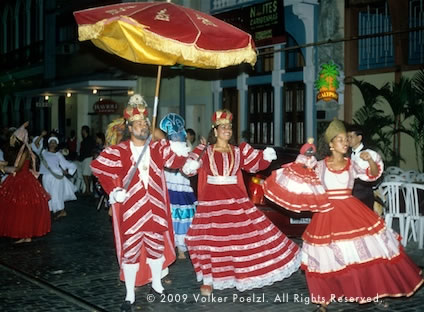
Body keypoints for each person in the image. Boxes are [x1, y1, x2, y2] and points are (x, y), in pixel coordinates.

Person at [299, 119, 423, 311]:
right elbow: (302, 176)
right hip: (327, 214)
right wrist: (304, 157)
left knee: (365, 256)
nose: (345, 143)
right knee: (325, 258)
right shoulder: (320, 165)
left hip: (351, 212)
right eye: (341, 139)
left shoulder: (351, 164)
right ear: (331, 144)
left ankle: (374, 292)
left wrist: (371, 161)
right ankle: (323, 302)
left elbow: (372, 175)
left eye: (346, 140)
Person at [181, 109, 301, 296]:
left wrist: (266, 156)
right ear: (215, 131)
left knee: (238, 240)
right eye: (223, 127)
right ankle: (208, 280)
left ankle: (240, 275)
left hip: (235, 198)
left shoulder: (239, 151)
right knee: (209, 240)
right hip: (212, 200)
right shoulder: (205, 150)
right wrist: (193, 165)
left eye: (229, 127)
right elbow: (189, 169)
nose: (227, 130)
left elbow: (256, 164)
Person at [91, 94, 190, 312]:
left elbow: (177, 161)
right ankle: (129, 295)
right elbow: (98, 167)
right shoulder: (119, 150)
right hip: (132, 209)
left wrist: (180, 145)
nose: (143, 126)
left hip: (155, 207)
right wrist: (113, 190)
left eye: (145, 123)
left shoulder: (158, 148)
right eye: (138, 123)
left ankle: (156, 283)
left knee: (156, 248)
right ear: (129, 127)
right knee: (131, 251)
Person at [0, 122, 51, 243]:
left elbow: (17, 168)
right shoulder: (20, 151)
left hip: (23, 179)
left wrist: (4, 168)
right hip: (18, 179)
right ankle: (25, 235)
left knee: (23, 208)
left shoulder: (24, 151)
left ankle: (25, 234)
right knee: (19, 208)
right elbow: (15, 164)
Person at [159, 113, 197, 260]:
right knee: (169, 216)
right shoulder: (165, 150)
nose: (176, 137)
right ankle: (170, 246)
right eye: (173, 135)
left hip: (183, 186)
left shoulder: (188, 150)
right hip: (168, 186)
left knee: (183, 216)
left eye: (178, 134)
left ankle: (182, 247)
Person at [263, 137, 333, 213]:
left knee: (310, 190)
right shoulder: (301, 157)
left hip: (309, 175)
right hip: (299, 172)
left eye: (311, 151)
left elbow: (314, 165)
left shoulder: (313, 159)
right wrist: (305, 166)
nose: (310, 152)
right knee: (295, 186)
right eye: (308, 150)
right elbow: (299, 163)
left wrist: (311, 167)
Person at [32, 136, 77, 219]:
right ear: (48, 144)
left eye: (54, 142)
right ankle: (51, 210)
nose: (52, 144)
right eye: (51, 142)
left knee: (56, 194)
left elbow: (65, 163)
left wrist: (68, 170)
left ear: (56, 145)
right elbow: (35, 144)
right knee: (48, 194)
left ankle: (61, 211)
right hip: (46, 176)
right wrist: (42, 135)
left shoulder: (58, 154)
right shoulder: (43, 152)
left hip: (56, 176)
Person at [347, 124, 383, 210]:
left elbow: (375, 173)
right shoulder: (348, 153)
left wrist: (370, 160)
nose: (348, 139)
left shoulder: (370, 153)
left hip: (363, 193)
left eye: (351, 136)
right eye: (347, 136)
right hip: (351, 193)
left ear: (359, 138)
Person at [79, 125, 96, 196]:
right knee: (87, 175)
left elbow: (88, 150)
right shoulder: (86, 140)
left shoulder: (88, 140)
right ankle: (88, 189)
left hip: (88, 157)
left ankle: (88, 189)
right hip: (86, 158)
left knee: (85, 174)